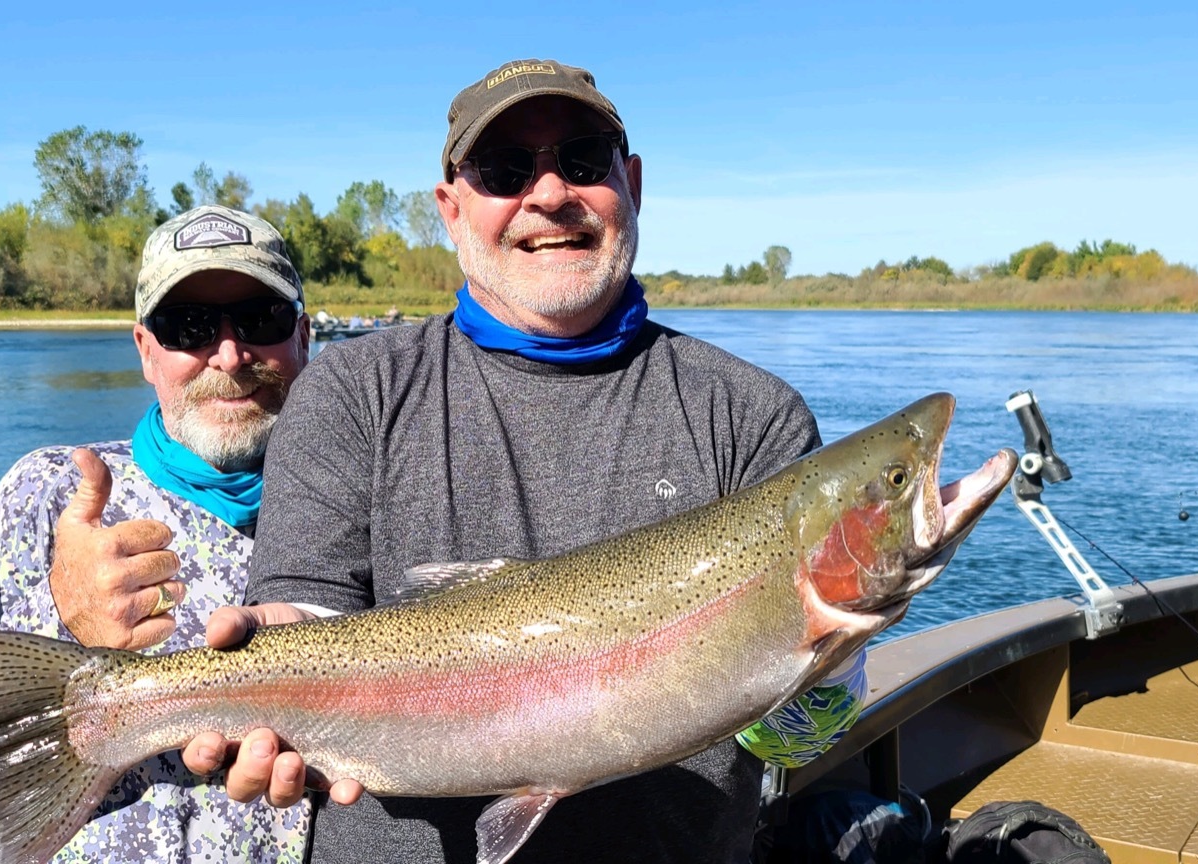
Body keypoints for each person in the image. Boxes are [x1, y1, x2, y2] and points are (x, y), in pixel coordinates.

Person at [183, 60, 869, 864]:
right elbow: (310, 611)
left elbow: (793, 743)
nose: (548, 196)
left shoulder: (751, 415)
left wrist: (829, 650)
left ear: (632, 185)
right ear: (451, 208)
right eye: (505, 170)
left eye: (581, 161)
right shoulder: (354, 389)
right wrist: (267, 660)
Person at [0, 204, 315, 863]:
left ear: (303, 336)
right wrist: (60, 623)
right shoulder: (48, 496)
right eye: (189, 327)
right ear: (145, 350)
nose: (231, 354)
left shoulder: (362, 515)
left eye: (259, 319)